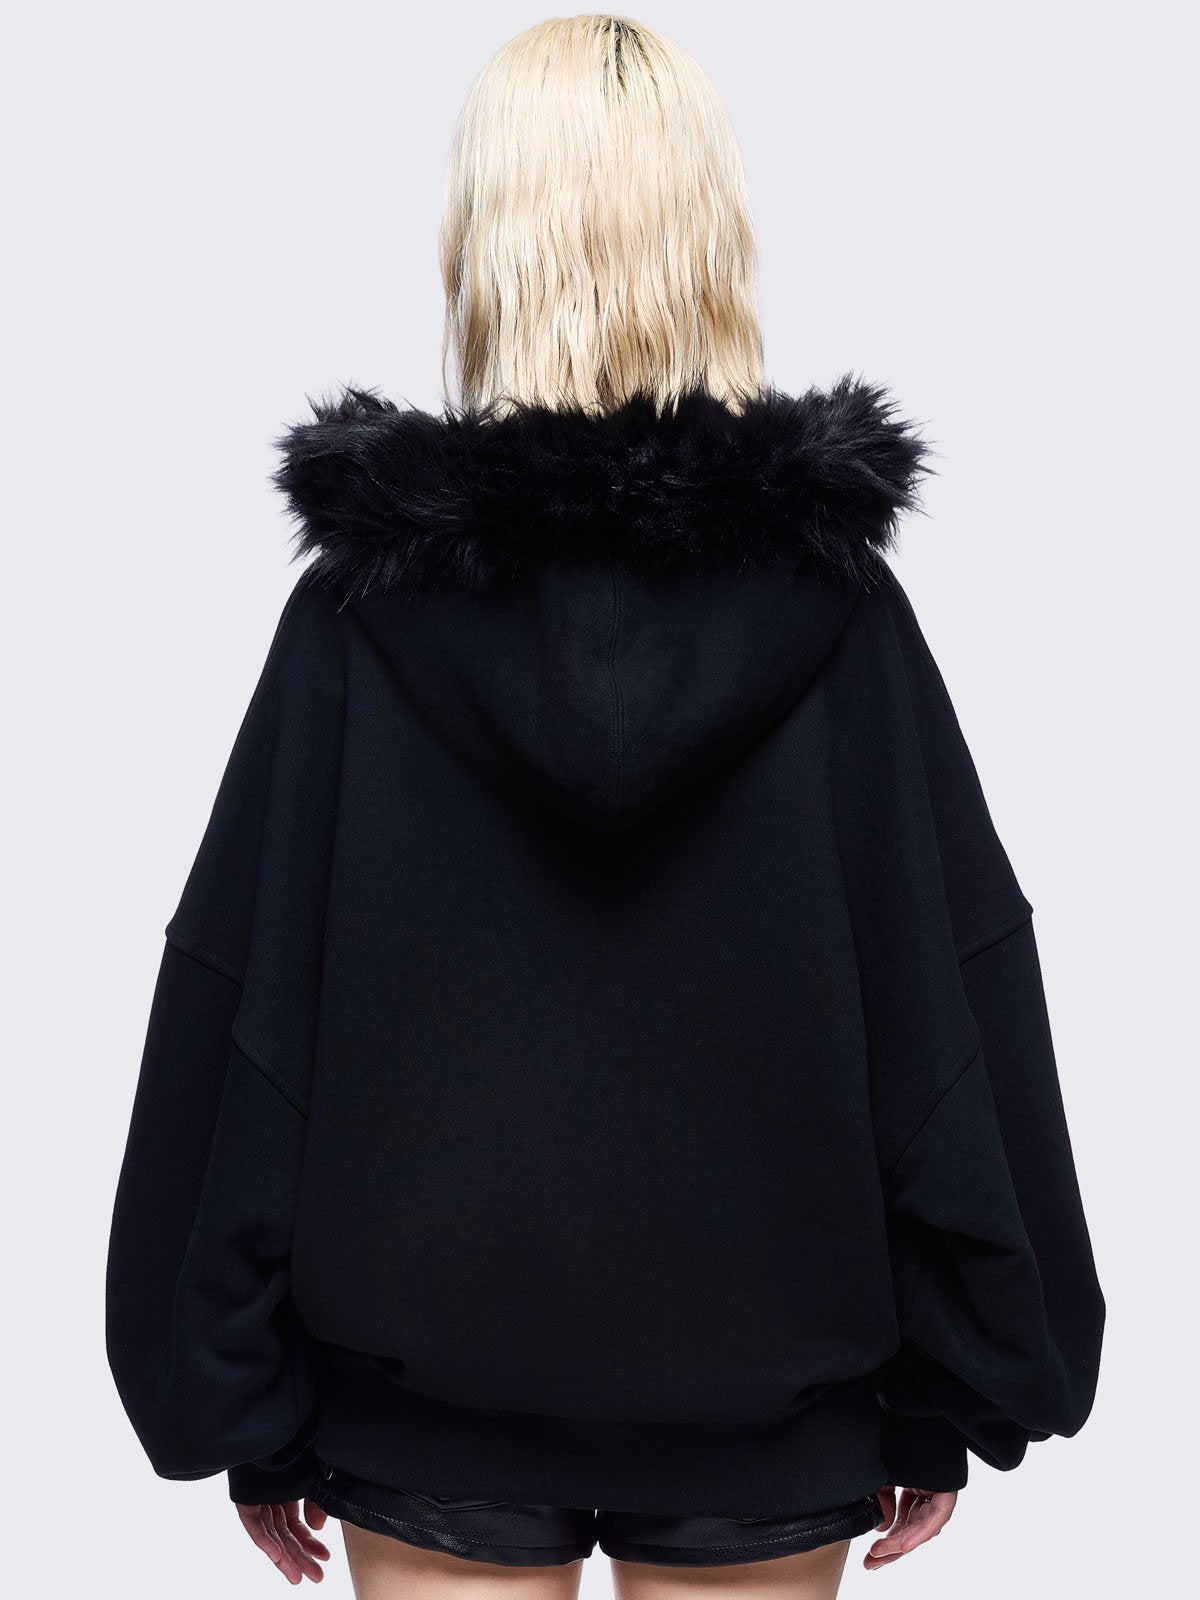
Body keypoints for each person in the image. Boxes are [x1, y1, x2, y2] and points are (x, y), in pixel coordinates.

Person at [105, 14, 1105, 1598]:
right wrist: (967, 1377)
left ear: (481, 240)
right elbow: (948, 1014)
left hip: (426, 1420)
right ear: (713, 234)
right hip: (772, 1416)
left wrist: (233, 1397)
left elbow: (248, 1016)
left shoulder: (364, 617)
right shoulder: (836, 611)